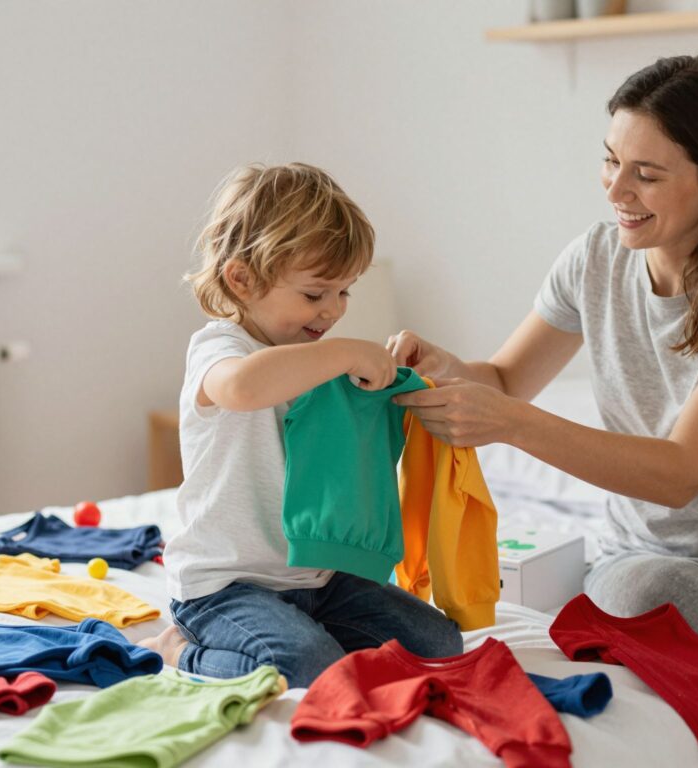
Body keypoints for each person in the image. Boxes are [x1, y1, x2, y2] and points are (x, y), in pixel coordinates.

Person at [388, 56, 698, 768]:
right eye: (610, 161)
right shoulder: (593, 260)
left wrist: (508, 425)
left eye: (647, 175)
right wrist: (440, 366)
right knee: (641, 596)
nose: (617, 191)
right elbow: (504, 378)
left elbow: (681, 471)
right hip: (647, 556)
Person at [141, 162, 462, 688]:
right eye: (316, 294)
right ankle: (180, 650)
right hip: (225, 585)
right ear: (241, 279)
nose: (333, 311)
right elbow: (244, 388)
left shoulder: (313, 357)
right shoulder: (220, 350)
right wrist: (341, 355)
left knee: (439, 645)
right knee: (308, 668)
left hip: (321, 577)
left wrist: (395, 386)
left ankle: (304, 630)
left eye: (345, 292)